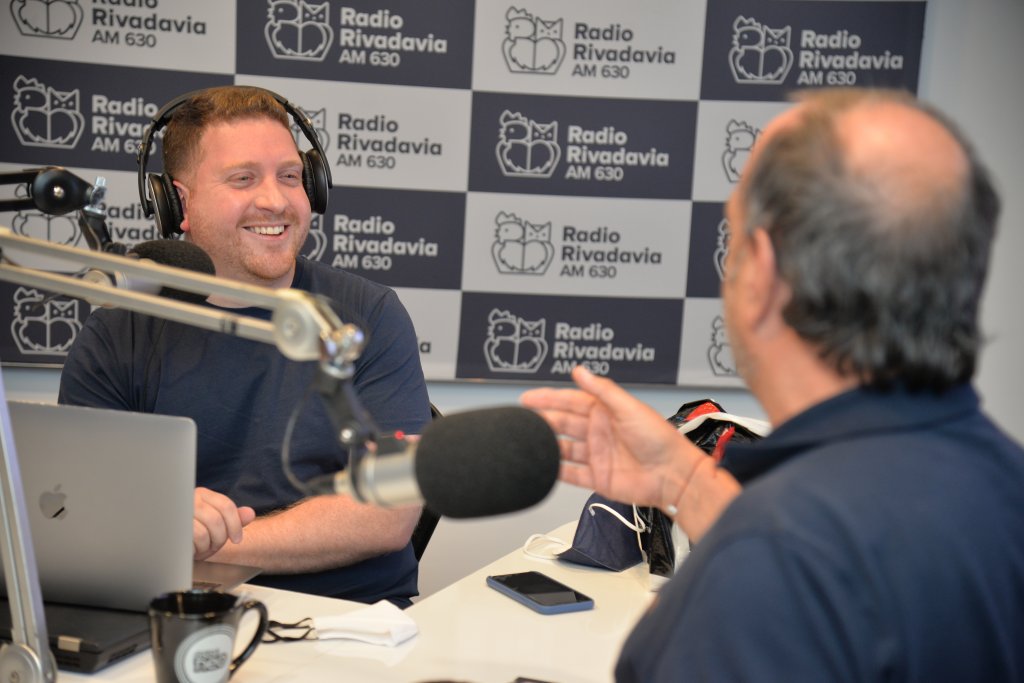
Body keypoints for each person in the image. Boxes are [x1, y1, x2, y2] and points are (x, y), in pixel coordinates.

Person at [522, 88, 1024, 681]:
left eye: (732, 235)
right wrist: (685, 482)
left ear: (760, 272)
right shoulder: (1001, 482)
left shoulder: (770, 565)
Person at [59, 86, 431, 607]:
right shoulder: (116, 337)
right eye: (243, 179)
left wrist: (195, 543)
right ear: (178, 202)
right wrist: (149, 520)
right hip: (184, 614)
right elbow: (77, 513)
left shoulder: (369, 314)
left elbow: (388, 514)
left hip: (354, 621)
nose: (276, 200)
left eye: (290, 176)